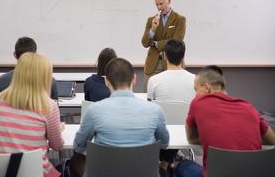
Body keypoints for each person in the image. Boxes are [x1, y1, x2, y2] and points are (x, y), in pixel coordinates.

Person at [72, 58, 169, 176]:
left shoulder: (93, 110)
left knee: (76, 160)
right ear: (134, 79)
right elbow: (164, 143)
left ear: (107, 81)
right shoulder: (155, 110)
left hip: (105, 173)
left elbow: (79, 146)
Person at [185, 65, 275, 176]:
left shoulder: (197, 103)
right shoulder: (249, 107)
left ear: (207, 87)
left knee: (183, 166)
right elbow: (272, 140)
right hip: (252, 173)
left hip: (216, 174)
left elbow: (191, 139)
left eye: (196, 89)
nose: (195, 94)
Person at [0, 53, 64, 177]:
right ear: (45, 77)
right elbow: (57, 146)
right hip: (35, 172)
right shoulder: (49, 106)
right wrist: (57, 130)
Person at [147, 39, 195, 177]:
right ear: (183, 57)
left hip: (160, 133)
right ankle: (168, 163)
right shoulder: (195, 80)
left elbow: (151, 110)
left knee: (159, 122)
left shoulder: (154, 80)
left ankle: (164, 164)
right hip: (186, 132)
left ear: (165, 56)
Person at [141, 0, 186, 91]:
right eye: (157, 4)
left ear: (169, 1)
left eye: (161, 4)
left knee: (173, 93)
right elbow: (145, 43)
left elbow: (176, 41)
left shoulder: (180, 19)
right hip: (153, 63)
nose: (159, 7)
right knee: (147, 93)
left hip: (173, 61)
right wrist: (153, 29)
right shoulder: (151, 20)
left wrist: (156, 44)